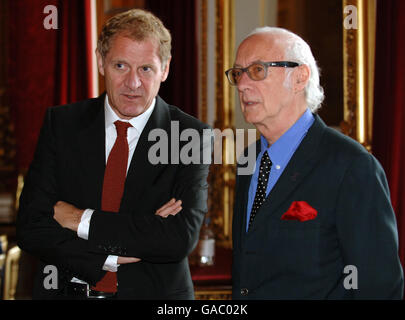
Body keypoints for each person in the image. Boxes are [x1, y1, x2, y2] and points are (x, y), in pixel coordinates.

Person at [16, 9, 210, 300]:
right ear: (100, 62)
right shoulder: (62, 124)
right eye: (121, 65)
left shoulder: (188, 136)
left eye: (146, 68)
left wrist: (79, 220)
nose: (133, 83)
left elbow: (177, 239)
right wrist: (110, 255)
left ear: (165, 69)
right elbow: (31, 226)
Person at [229, 26, 404, 299]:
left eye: (258, 70)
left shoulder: (352, 167)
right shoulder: (248, 161)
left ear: (300, 77)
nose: (242, 84)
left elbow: (378, 287)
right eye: (238, 73)